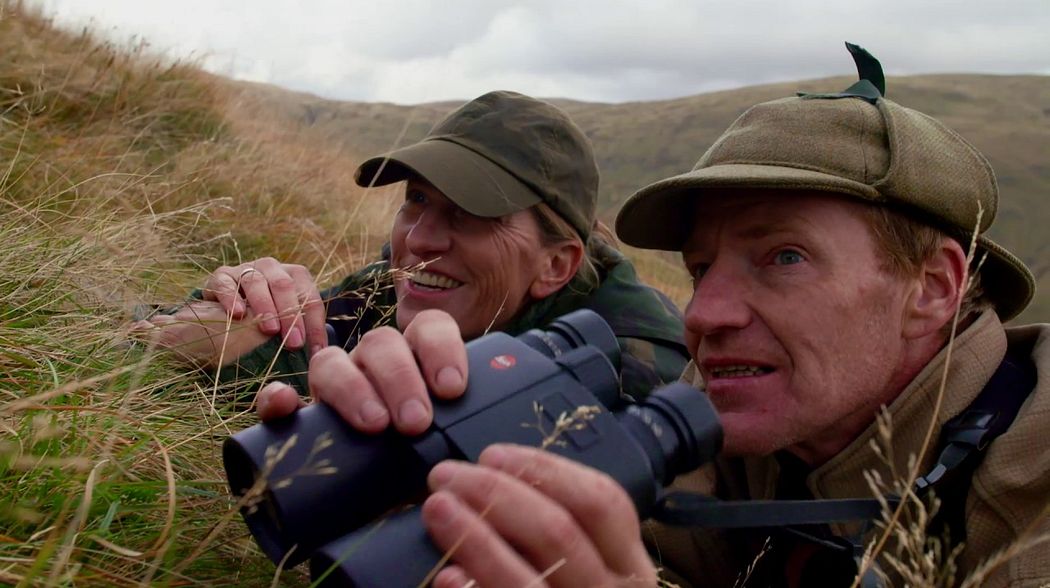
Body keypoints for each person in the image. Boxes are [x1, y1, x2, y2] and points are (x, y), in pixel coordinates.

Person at [256, 50, 1048, 587]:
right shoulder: (729, 425)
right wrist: (420, 466)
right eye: (702, 268)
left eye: (783, 257)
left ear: (933, 287)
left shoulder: (1031, 474)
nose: (705, 313)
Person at [144, 90, 689, 407]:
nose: (419, 239)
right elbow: (184, 335)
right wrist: (252, 308)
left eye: (472, 213)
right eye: (418, 199)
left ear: (554, 265)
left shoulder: (630, 367)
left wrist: (270, 363)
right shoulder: (412, 277)